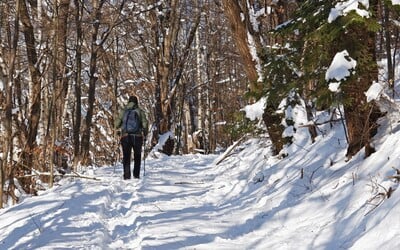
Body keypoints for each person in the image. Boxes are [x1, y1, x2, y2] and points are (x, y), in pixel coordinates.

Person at [115, 95, 149, 179]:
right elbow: (145, 124)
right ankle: (136, 175)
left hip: (125, 137)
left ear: (129, 102)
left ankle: (127, 176)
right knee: (137, 156)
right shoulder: (140, 111)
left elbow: (116, 124)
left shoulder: (124, 111)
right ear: (136, 102)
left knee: (126, 156)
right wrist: (145, 132)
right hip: (137, 137)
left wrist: (119, 131)